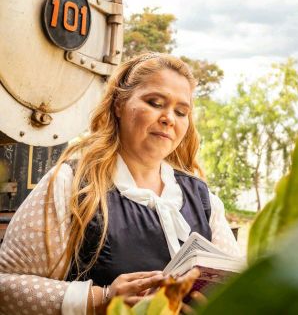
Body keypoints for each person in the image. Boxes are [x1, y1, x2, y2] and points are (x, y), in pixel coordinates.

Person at [0, 52, 241, 315]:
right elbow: (6, 286)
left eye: (181, 112)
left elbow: (241, 290)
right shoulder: (72, 185)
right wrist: (100, 299)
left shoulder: (203, 199)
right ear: (119, 104)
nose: (169, 118)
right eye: (155, 102)